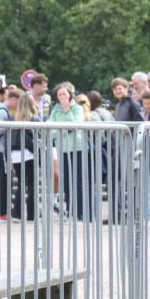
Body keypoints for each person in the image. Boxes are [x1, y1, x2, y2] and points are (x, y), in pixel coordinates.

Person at [49, 82, 86, 220]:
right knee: (66, 182)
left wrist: (67, 110)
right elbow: (50, 129)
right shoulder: (55, 110)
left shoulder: (77, 108)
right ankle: (70, 212)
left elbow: (75, 124)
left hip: (77, 148)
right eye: (59, 94)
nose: (62, 97)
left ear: (70, 95)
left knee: (78, 181)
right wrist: (64, 130)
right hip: (62, 149)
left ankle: (80, 213)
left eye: (64, 94)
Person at [10, 93, 39, 221]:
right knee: (32, 184)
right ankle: (32, 214)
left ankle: (17, 213)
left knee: (21, 183)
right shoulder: (34, 119)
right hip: (29, 154)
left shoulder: (14, 120)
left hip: (15, 155)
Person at [0, 88, 19, 220]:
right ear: (13, 100)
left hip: (3, 149)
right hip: (1, 150)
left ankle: (3, 209)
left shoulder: (4, 110)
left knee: (6, 179)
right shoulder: (2, 111)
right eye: (18, 102)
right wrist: (10, 126)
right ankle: (3, 211)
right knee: (4, 179)